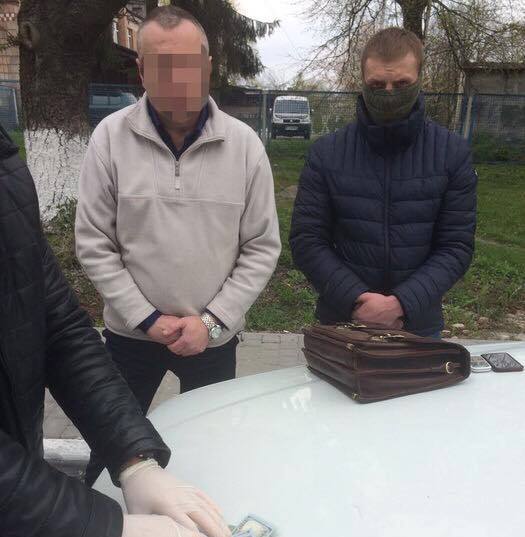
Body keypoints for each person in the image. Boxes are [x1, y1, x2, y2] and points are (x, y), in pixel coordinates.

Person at [0, 124, 231, 537]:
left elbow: (59, 325)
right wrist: (103, 533)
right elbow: (94, 242)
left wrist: (133, 459)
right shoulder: (112, 137)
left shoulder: (3, 162)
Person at [75, 6, 281, 486]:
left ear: (208, 65)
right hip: (131, 338)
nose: (176, 78)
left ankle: (210, 527)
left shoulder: (245, 146)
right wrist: (146, 318)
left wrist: (210, 323)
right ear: (142, 70)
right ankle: (97, 531)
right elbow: (94, 242)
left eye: (187, 64)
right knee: (110, 455)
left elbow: (260, 247)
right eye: (162, 66)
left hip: (211, 338)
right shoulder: (110, 138)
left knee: (214, 455)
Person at [290, 27, 477, 337]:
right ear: (363, 82)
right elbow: (307, 240)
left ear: (420, 80)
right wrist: (358, 300)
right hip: (342, 323)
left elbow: (455, 246)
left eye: (402, 84)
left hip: (417, 327)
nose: (389, 93)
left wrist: (401, 303)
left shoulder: (451, 153)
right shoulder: (326, 153)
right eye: (377, 85)